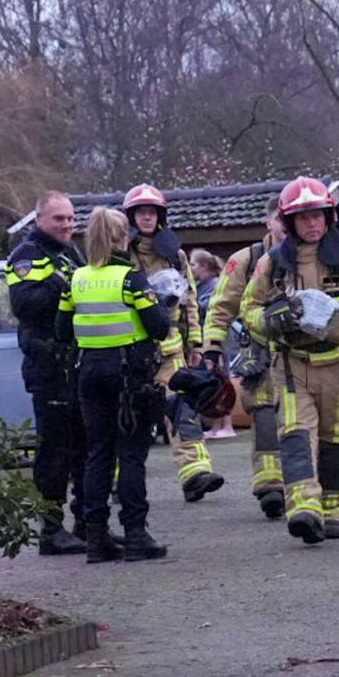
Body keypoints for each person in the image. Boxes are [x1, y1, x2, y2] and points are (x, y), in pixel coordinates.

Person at [240, 177, 339, 544]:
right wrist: (269, 321)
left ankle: (334, 509)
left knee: (335, 441)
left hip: (338, 366)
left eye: (318, 215)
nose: (312, 224)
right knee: (295, 435)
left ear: (329, 217)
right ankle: (304, 508)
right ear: (290, 222)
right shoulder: (274, 264)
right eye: (304, 217)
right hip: (292, 366)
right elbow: (249, 308)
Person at [56, 207, 172, 562]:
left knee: (98, 454)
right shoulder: (130, 279)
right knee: (132, 453)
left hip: (88, 373)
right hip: (128, 374)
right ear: (123, 239)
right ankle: (135, 534)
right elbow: (159, 328)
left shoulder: (75, 280)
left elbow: (62, 331)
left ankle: (95, 537)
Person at [123, 184, 227, 501]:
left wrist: (195, 344)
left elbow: (190, 302)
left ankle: (195, 474)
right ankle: (118, 480)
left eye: (152, 212)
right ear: (131, 217)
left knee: (182, 411)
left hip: (170, 353)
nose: (147, 217)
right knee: (125, 417)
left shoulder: (176, 256)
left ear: (161, 216)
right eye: (141, 212)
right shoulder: (121, 253)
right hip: (131, 354)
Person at [5, 191, 88, 556]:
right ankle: (51, 530)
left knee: (84, 446)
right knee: (54, 451)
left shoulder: (70, 252)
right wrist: (56, 287)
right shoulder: (26, 256)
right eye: (59, 219)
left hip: (76, 362)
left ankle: (86, 522)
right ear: (39, 219)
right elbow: (23, 306)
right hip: (48, 364)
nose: (67, 225)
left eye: (71, 218)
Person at [201, 195, 287, 518]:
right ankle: (270, 486)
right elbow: (221, 306)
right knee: (264, 413)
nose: (283, 223)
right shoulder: (245, 260)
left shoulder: (310, 257)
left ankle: (303, 484)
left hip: (301, 352)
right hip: (259, 351)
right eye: (278, 217)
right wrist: (211, 346)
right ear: (268, 222)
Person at [190, 248, 224, 317]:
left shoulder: (215, 285)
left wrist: (186, 301)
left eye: (192, 265)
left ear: (204, 267)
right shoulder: (200, 284)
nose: (190, 268)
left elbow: (205, 308)